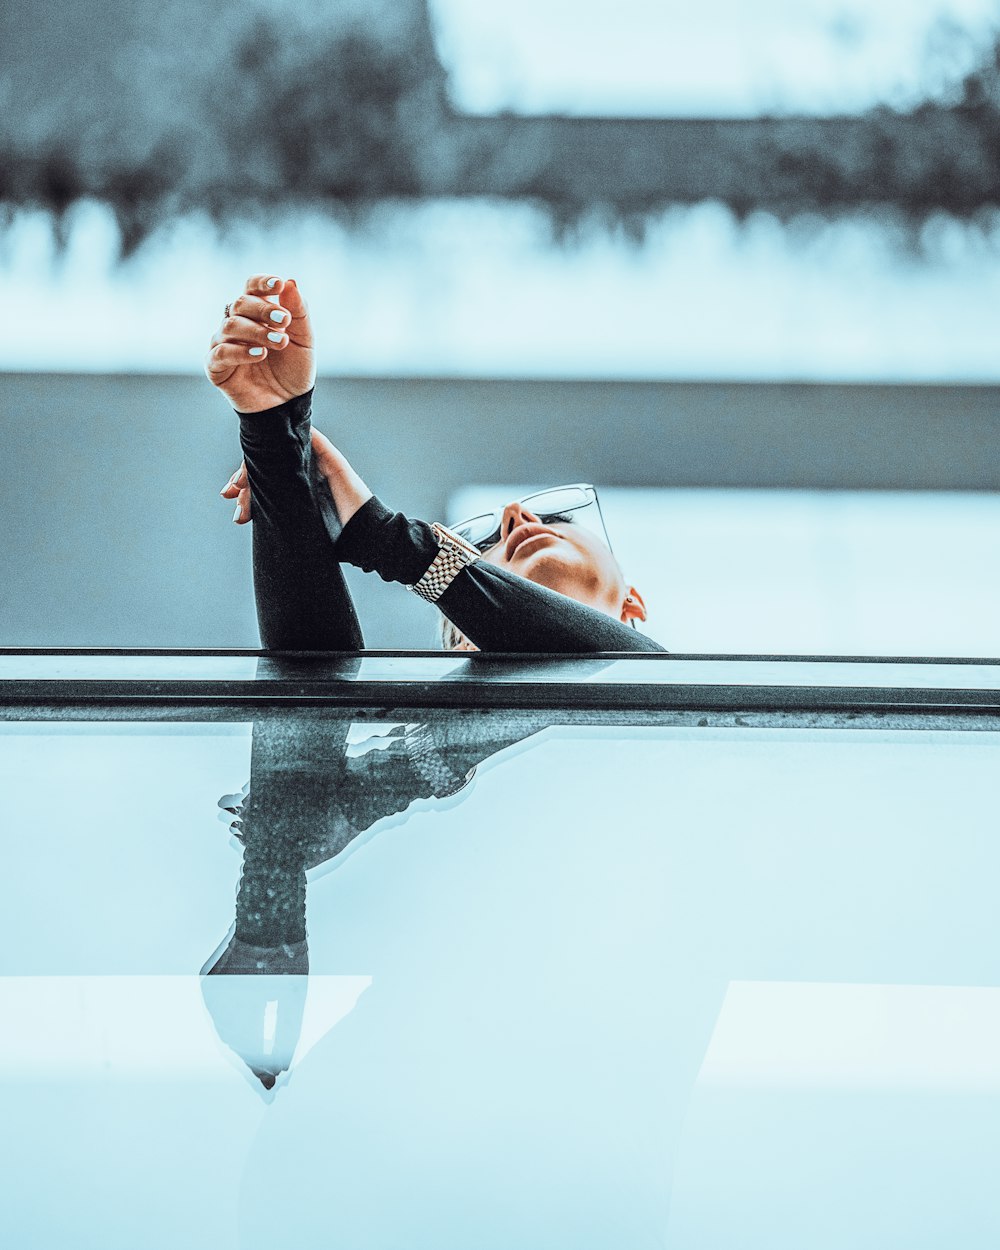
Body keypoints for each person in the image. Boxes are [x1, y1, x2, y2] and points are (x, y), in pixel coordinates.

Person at [205, 274, 666, 654]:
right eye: (484, 553)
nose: (516, 516)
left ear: (634, 606)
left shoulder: (684, 720)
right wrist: (275, 435)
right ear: (463, 641)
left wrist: (386, 538)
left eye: (558, 518)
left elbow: (635, 663)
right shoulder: (428, 759)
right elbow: (311, 727)